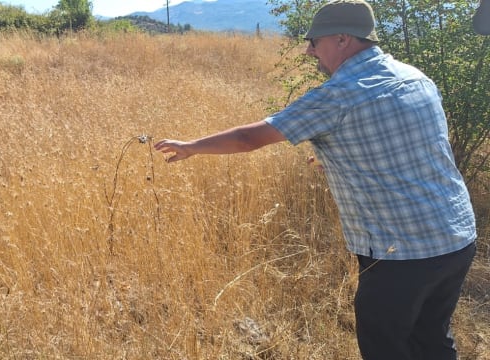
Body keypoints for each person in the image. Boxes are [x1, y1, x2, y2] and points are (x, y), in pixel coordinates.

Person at [154, 0, 477, 359]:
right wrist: (347, 161)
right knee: (432, 340)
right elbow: (415, 147)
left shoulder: (339, 95)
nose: (308, 50)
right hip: (456, 238)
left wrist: (192, 146)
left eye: (313, 40)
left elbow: (251, 138)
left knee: (386, 347)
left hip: (401, 254)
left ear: (342, 39)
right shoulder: (415, 77)